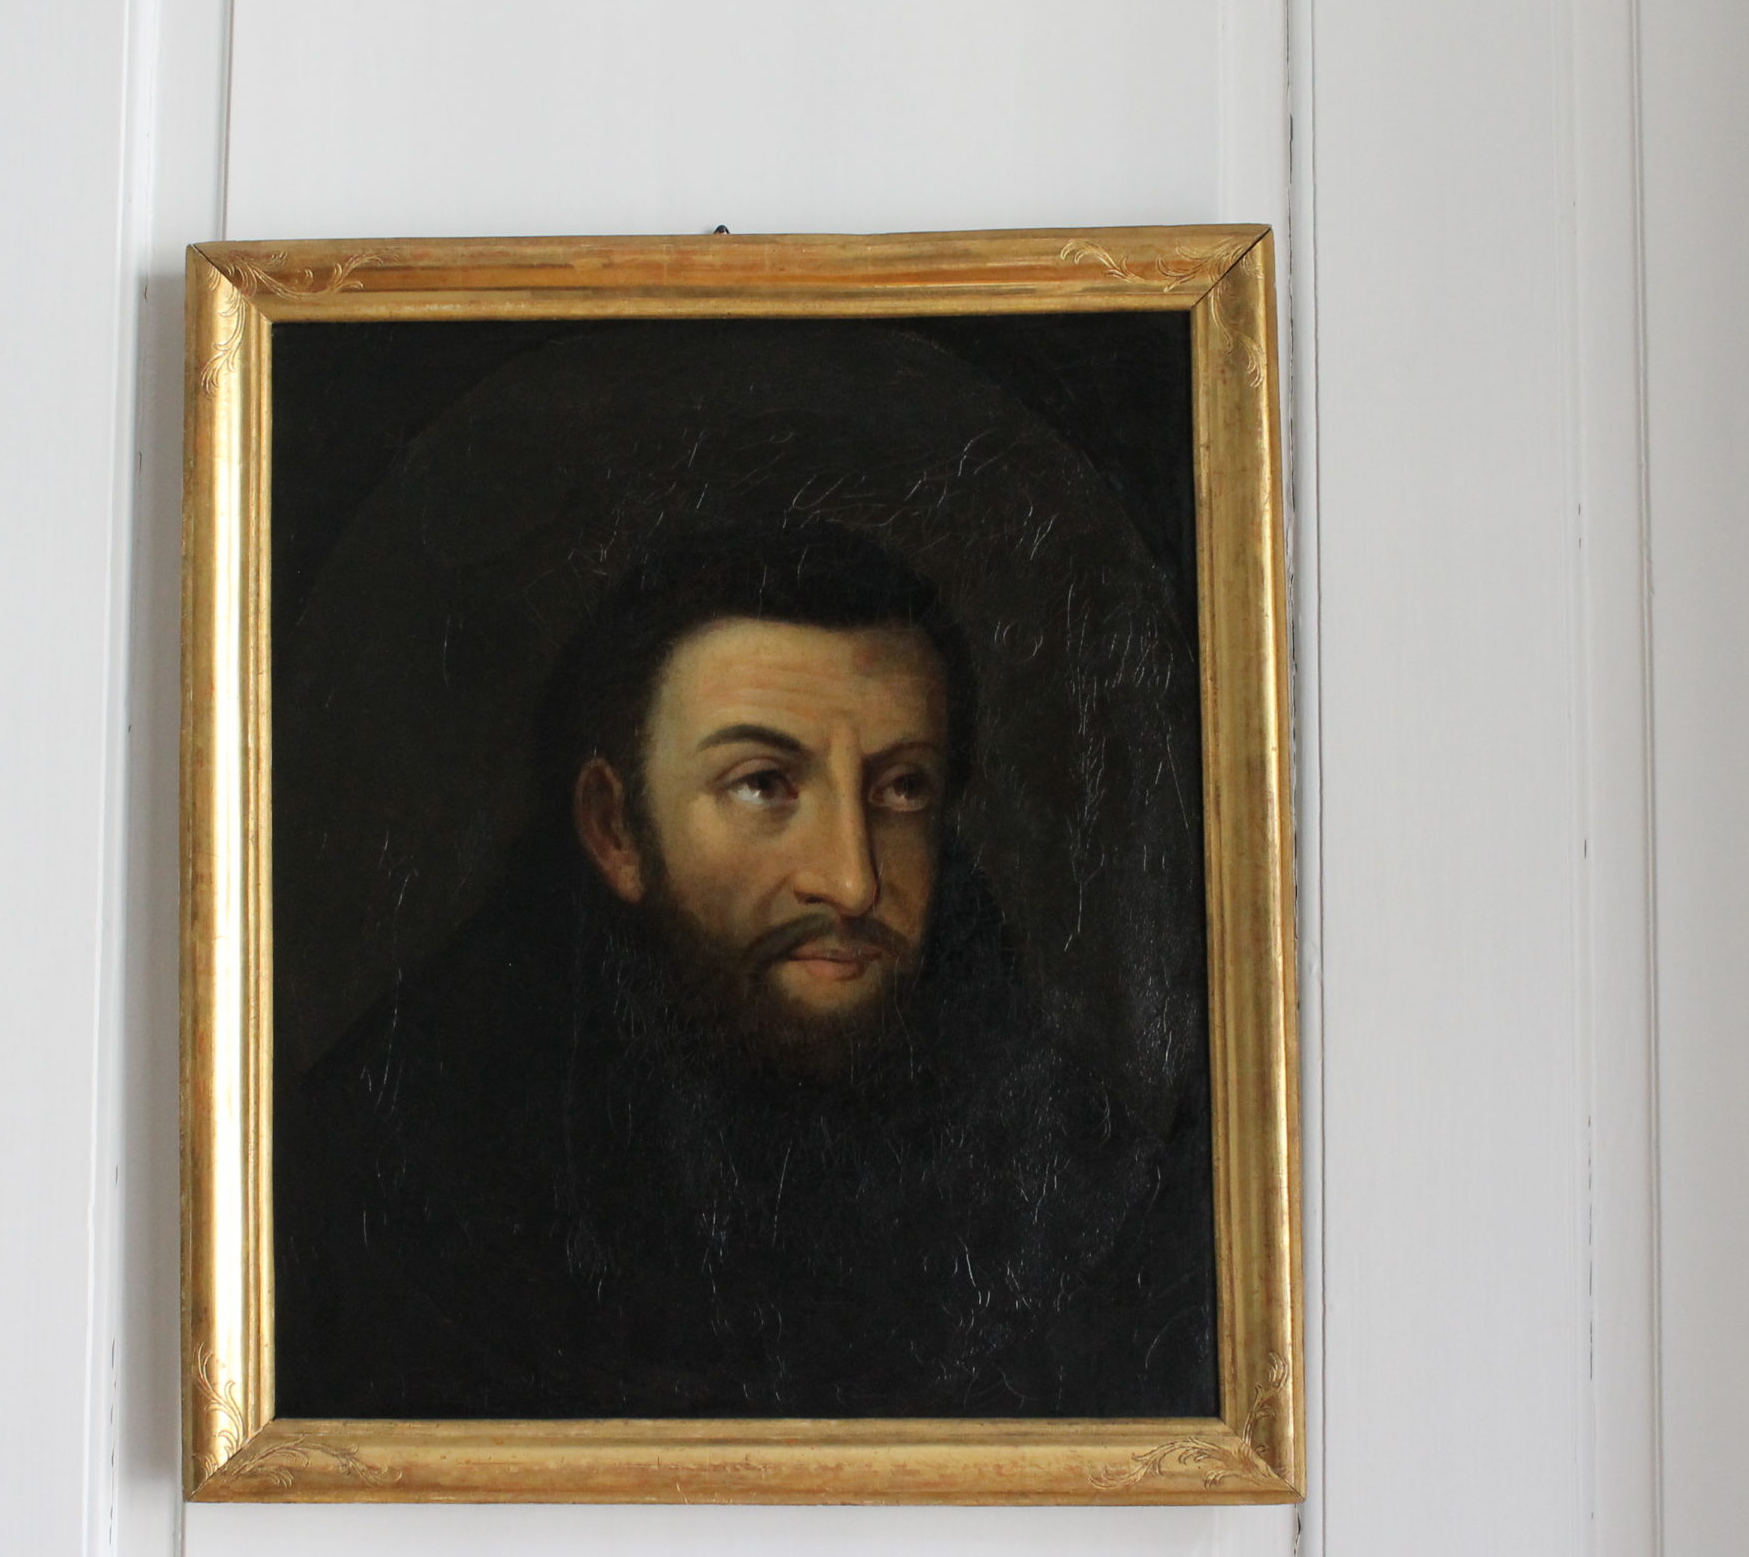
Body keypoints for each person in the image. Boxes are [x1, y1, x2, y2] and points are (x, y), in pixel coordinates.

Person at [277, 524, 1214, 1419]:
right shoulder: (397, 1178)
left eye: (901, 787)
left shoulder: (1073, 1159)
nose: (851, 879)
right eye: (764, 784)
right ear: (615, 829)